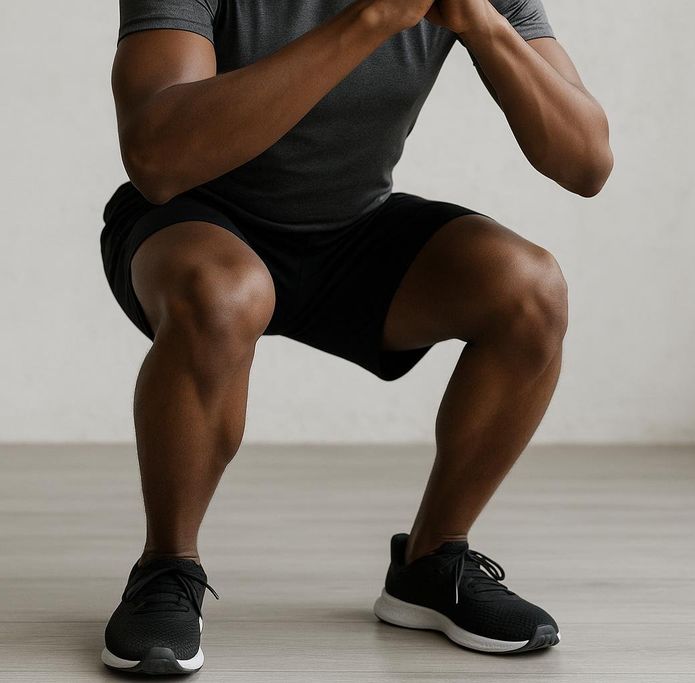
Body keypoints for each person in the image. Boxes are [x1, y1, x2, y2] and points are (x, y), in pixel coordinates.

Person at [98, 0, 612, 674]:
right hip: (192, 222)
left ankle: (433, 563)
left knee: (530, 290)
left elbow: (587, 163)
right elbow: (157, 159)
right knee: (224, 293)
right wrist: (368, 20)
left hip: (347, 231)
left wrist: (482, 21)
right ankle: (166, 567)